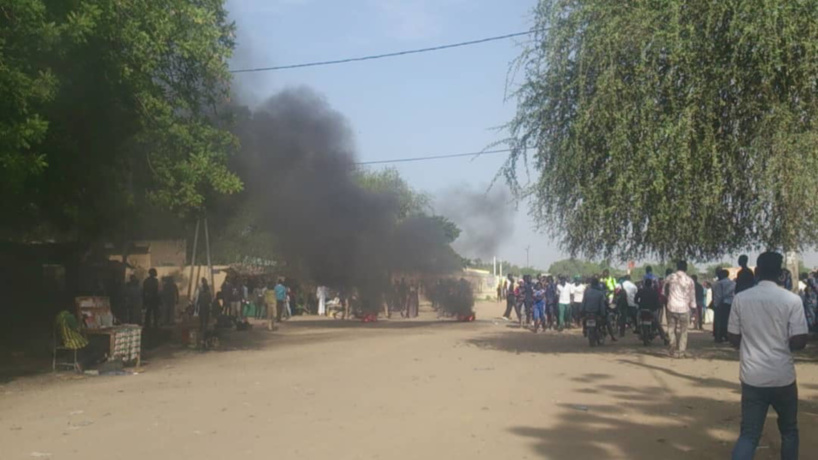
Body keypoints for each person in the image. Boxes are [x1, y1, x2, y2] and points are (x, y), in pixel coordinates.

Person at [728, 252, 808, 460]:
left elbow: (733, 337)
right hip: (783, 376)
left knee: (749, 435)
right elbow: (799, 341)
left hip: (753, 377)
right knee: (789, 431)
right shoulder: (792, 300)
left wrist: (751, 341)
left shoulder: (741, 299)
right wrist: (780, 342)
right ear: (781, 274)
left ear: (757, 271)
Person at [664, 261, 695, 358]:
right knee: (683, 331)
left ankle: (672, 343)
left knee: (671, 328)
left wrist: (667, 296)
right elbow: (692, 296)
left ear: (677, 267)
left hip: (671, 307)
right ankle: (681, 352)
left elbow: (663, 288)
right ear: (686, 268)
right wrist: (693, 307)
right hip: (684, 309)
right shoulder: (689, 280)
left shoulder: (671, 277)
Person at [635, 279, 669, 343]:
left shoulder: (641, 291)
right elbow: (657, 302)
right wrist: (658, 306)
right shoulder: (654, 292)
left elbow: (635, 299)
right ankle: (664, 338)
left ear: (644, 284)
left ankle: (637, 328)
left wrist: (639, 304)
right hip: (652, 310)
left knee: (637, 319)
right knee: (658, 324)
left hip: (642, 310)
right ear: (651, 284)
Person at [713, 269, 736, 343]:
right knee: (728, 320)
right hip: (730, 303)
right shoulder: (733, 283)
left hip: (722, 303)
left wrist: (716, 304)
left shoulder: (719, 283)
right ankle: (727, 336)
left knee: (720, 320)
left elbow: (719, 295)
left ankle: (719, 336)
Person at [197, 278, 212, 343]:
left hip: (203, 304)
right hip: (204, 304)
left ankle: (203, 327)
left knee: (203, 316)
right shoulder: (205, 289)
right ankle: (204, 326)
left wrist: (197, 303)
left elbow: (200, 297)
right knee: (205, 316)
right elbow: (209, 298)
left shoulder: (202, 289)